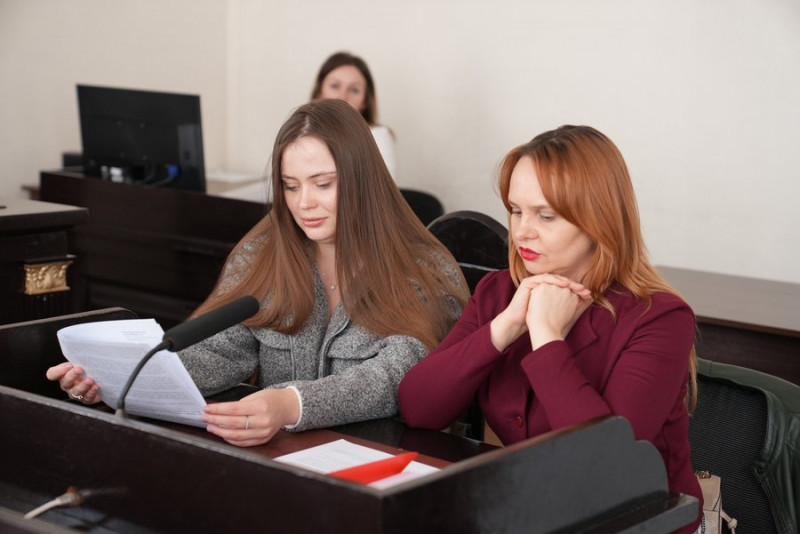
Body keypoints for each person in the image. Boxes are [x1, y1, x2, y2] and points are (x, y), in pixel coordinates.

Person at [47, 98, 469, 448]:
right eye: (291, 186)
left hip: (380, 469)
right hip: (282, 465)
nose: (304, 203)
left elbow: (396, 376)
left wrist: (290, 404)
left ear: (362, 181)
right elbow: (222, 351)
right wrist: (119, 379)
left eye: (323, 184)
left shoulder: (421, 268)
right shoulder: (265, 254)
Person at [397, 125, 703, 534]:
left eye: (546, 216)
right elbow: (417, 408)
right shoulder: (500, 292)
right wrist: (506, 326)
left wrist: (545, 335)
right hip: (535, 511)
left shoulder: (659, 318)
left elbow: (605, 469)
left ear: (598, 221)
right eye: (516, 210)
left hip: (637, 521)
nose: (523, 230)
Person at [310, 51, 396, 178]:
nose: (342, 96)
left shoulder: (377, 136)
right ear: (319, 92)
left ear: (365, 101)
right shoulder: (301, 134)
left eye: (354, 90)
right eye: (334, 86)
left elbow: (382, 186)